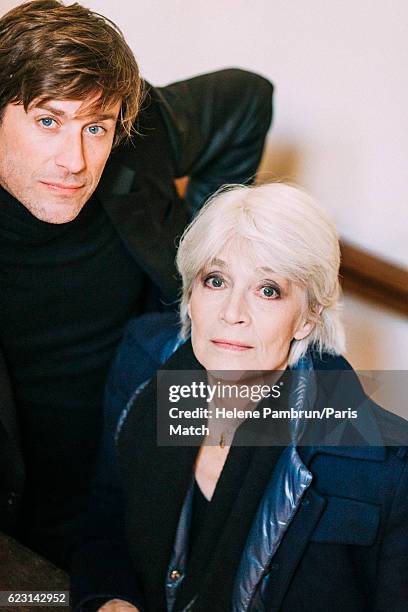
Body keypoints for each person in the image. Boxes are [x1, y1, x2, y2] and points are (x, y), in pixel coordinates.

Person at [0, 0, 273, 568]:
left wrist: (218, 264)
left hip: (132, 488)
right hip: (18, 530)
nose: (73, 160)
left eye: (94, 127)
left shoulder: (136, 136)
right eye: (48, 121)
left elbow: (247, 98)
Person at [72, 183, 408, 611]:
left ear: (307, 317)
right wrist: (111, 596)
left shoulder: (382, 466)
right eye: (216, 280)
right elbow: (107, 514)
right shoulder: (143, 363)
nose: (232, 313)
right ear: (190, 294)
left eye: (268, 290)